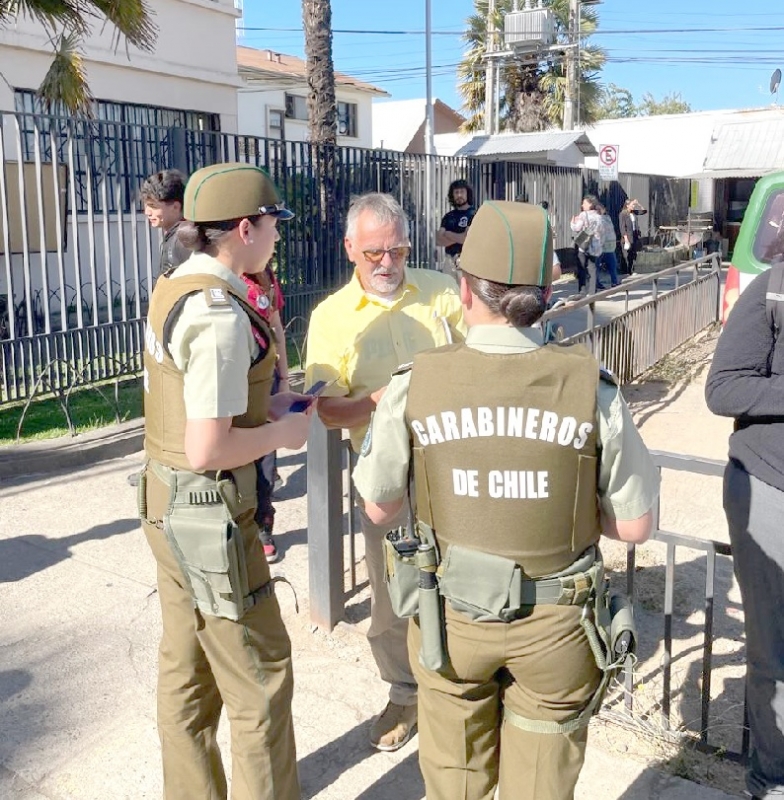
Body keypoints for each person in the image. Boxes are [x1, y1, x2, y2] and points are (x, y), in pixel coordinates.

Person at [353, 200, 660, 800]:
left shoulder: (416, 382)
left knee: (457, 785)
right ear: (546, 291)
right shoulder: (589, 388)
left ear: (466, 290)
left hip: (451, 619)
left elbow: (379, 508)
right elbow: (636, 525)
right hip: (558, 627)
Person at [139, 162, 311, 800]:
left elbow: (189, 401)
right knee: (261, 680)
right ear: (244, 228)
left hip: (168, 505)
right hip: (211, 517)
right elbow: (208, 445)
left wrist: (265, 407)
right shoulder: (219, 312)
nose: (276, 238)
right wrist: (281, 435)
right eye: (272, 226)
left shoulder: (177, 287)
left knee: (186, 673)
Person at [305, 192, 465, 752]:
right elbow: (325, 409)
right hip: (385, 477)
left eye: (396, 250)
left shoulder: (442, 292)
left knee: (465, 575)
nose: (387, 264)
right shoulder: (330, 319)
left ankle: (461, 681)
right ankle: (404, 693)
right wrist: (385, 400)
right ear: (350, 249)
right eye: (373, 253)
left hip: (454, 466)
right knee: (394, 588)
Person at [705, 267, 784, 800]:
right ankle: (773, 780)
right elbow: (724, 387)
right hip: (771, 492)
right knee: (775, 657)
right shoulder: (774, 289)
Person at [241, 262, 290, 563]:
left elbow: (276, 329)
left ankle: (263, 524)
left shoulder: (265, 275)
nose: (276, 237)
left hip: (265, 381)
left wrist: (284, 377)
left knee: (265, 460)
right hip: (231, 381)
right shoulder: (220, 273)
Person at [140, 169, 191, 274]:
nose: (147, 212)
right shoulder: (176, 235)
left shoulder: (185, 240)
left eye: (153, 206)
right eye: (145, 205)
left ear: (176, 207)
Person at [436, 178, 476, 277]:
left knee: (465, 290)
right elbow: (439, 240)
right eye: (456, 192)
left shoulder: (474, 214)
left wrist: (448, 234)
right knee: (449, 290)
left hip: (467, 259)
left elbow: (467, 239)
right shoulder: (448, 216)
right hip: (449, 260)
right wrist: (459, 237)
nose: (459, 195)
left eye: (462, 192)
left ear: (467, 194)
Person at [570, 194, 604, 296]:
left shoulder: (583, 215)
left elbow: (577, 228)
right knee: (593, 269)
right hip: (595, 246)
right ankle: (592, 291)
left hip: (583, 245)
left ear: (590, 204)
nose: (582, 205)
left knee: (582, 268)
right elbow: (601, 232)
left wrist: (572, 223)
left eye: (584, 203)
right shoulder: (599, 217)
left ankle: (582, 290)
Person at [619, 198, 648, 275]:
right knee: (627, 255)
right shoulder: (623, 214)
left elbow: (644, 211)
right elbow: (622, 227)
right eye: (632, 205)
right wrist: (625, 238)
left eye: (634, 205)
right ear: (627, 205)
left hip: (634, 235)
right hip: (627, 236)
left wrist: (638, 204)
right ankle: (626, 271)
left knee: (633, 254)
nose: (634, 206)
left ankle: (631, 270)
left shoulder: (633, 213)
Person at [597, 203, 621, 288]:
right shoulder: (597, 219)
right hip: (601, 246)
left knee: (612, 264)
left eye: (602, 208)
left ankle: (614, 281)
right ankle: (596, 283)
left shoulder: (607, 218)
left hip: (610, 246)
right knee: (597, 266)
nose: (601, 210)